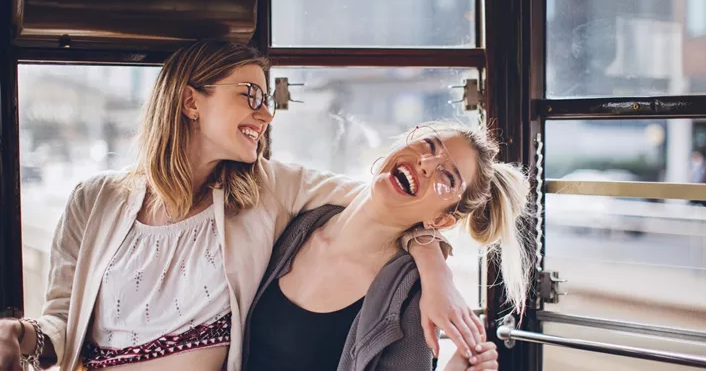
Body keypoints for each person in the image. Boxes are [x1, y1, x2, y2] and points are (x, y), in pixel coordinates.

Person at [0, 41, 482, 371]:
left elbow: (385, 199)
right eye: (251, 94)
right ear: (191, 101)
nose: (267, 113)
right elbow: (63, 321)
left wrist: (433, 267)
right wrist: (23, 338)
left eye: (267, 99)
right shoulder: (94, 200)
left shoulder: (267, 190)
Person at [243, 122, 532, 370]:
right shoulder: (295, 221)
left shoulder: (411, 299)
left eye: (447, 177)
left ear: (441, 220)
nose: (426, 164)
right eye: (428, 145)